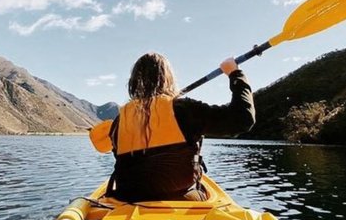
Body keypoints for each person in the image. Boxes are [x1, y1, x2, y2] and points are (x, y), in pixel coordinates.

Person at [89, 52, 255, 202]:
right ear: (168, 79)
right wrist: (235, 74)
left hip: (127, 201)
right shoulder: (184, 110)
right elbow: (243, 118)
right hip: (183, 199)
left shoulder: (120, 120)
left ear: (134, 83)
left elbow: (101, 145)